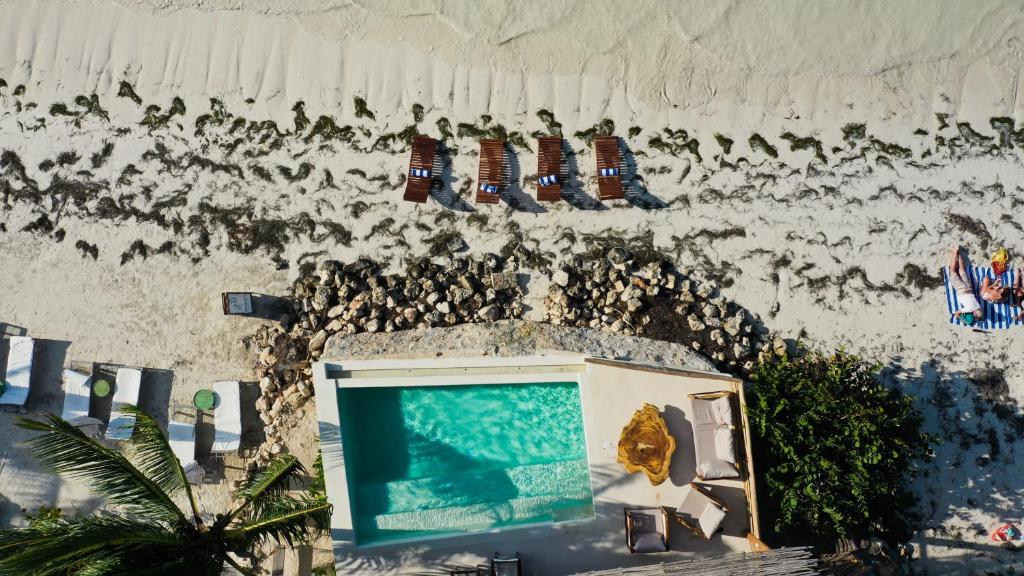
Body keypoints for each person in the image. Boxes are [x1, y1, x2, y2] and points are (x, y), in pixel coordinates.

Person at [948, 245, 983, 325]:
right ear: (975, 313)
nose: (974, 316)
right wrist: (959, 317)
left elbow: (978, 313)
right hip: (962, 290)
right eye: (975, 316)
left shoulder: (978, 306)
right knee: (952, 271)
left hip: (969, 289)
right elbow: (957, 313)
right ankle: (954, 253)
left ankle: (958, 253)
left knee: (961, 270)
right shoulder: (969, 309)